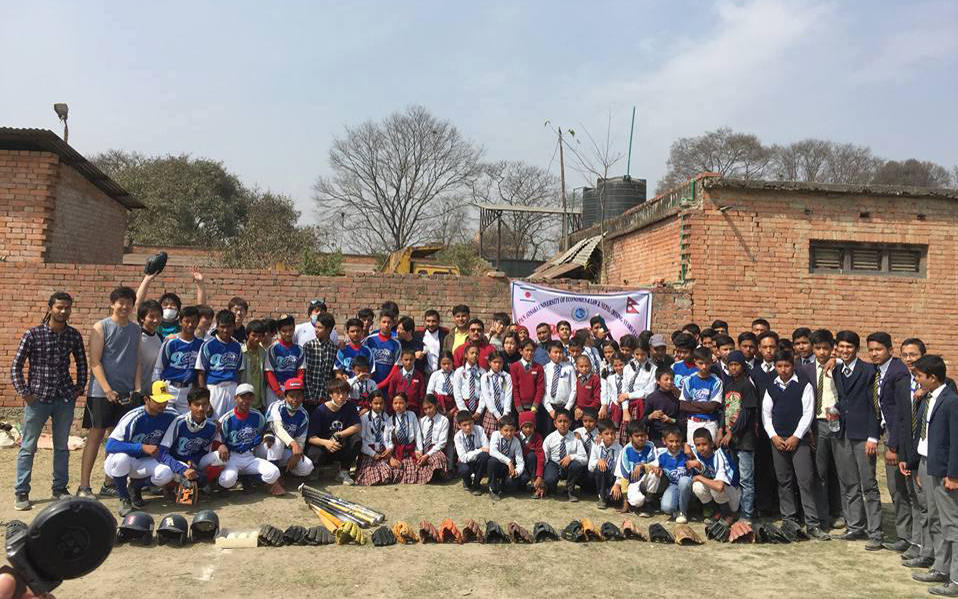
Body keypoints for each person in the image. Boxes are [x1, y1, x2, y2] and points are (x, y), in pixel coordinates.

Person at [11, 291, 87, 510]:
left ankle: (60, 489)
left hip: (64, 398)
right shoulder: (33, 334)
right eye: (59, 307)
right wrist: (25, 392)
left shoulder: (73, 335)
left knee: (61, 446)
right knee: (28, 446)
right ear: (50, 308)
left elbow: (82, 363)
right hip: (37, 399)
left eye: (67, 308)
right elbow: (16, 366)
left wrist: (78, 388)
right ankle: (22, 492)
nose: (63, 311)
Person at [79, 286, 142, 499]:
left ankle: (110, 482)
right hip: (101, 392)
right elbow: (95, 361)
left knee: (117, 439)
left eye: (128, 302)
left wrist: (137, 388)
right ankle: (84, 486)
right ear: (112, 303)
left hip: (126, 392)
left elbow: (137, 360)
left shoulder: (135, 330)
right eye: (120, 302)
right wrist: (107, 389)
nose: (124, 306)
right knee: (95, 437)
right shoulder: (101, 327)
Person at [762, 350, 830, 539]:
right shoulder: (771, 385)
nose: (783, 370)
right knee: (784, 481)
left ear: (793, 366)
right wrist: (774, 436)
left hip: (799, 441)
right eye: (779, 366)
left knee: (805, 481)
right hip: (777, 441)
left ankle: (812, 523)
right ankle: (789, 519)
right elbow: (766, 414)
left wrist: (796, 437)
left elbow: (808, 413)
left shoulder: (803, 385)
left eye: (787, 366)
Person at [832, 330, 885, 550]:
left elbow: (875, 406)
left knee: (869, 485)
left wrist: (874, 436)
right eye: (841, 347)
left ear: (856, 349)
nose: (845, 351)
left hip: (864, 435)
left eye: (849, 347)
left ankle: (876, 532)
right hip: (842, 433)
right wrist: (835, 409)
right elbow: (845, 399)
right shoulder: (836, 369)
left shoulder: (869, 371)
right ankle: (855, 525)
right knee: (849, 483)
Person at [911, 354, 958, 596]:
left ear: (932, 377)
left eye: (919, 376)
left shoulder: (951, 402)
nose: (916, 379)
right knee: (934, 519)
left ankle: (956, 580)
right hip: (927, 464)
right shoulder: (927, 398)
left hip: (944, 471)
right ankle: (941, 567)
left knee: (951, 523)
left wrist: (953, 475)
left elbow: (955, 442)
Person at [103, 380, 179, 515]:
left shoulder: (171, 415)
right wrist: (141, 447)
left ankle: (135, 487)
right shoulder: (133, 417)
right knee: (121, 459)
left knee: (166, 473)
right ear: (146, 399)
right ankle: (124, 498)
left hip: (145, 461)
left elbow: (186, 422)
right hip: (121, 463)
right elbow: (110, 445)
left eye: (165, 400)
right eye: (159, 401)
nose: (163, 404)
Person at [866, 331, 911, 552]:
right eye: (871, 350)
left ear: (890, 351)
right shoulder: (878, 371)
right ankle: (907, 535)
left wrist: (893, 446)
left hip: (898, 438)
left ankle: (908, 537)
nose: (874, 354)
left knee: (899, 490)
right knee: (896, 489)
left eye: (879, 349)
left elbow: (901, 414)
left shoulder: (898, 373)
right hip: (885, 433)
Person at [801, 328, 847, 531]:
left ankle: (840, 513)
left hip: (837, 424)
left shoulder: (839, 367)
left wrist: (837, 361)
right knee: (819, 473)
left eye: (825, 348)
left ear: (832, 348)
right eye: (817, 348)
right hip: (816, 424)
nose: (821, 352)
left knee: (839, 470)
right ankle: (822, 515)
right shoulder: (805, 370)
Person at [216, 387, 282, 495]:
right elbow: (217, 437)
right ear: (235, 398)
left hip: (250, 456)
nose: (246, 401)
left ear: (253, 399)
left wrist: (267, 436)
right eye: (242, 397)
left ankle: (251, 479)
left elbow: (267, 429)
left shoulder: (257, 416)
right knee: (227, 480)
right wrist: (220, 445)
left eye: (249, 397)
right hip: (232, 457)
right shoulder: (227, 418)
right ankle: (239, 480)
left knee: (274, 473)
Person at [718, 350, 758, 523]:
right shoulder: (729, 386)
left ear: (743, 366)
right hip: (730, 440)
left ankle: (747, 514)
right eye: (730, 365)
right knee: (733, 478)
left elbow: (746, 413)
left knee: (746, 480)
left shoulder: (747, 386)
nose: (733, 368)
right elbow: (725, 411)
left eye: (736, 365)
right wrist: (721, 429)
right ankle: (734, 511)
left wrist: (731, 432)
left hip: (745, 440)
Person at [157, 387, 219, 499]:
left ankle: (203, 483)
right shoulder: (179, 422)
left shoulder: (211, 426)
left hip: (193, 462)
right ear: (189, 405)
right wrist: (183, 469)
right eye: (196, 404)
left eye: (204, 404)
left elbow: (203, 451)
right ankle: (171, 486)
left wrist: (193, 462)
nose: (200, 408)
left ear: (208, 405)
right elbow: (162, 452)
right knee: (187, 486)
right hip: (175, 461)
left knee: (220, 457)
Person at [306, 378, 361, 485]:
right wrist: (327, 443)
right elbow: (311, 438)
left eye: (344, 393)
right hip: (324, 446)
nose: (341, 396)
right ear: (331, 394)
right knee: (314, 452)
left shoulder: (350, 406)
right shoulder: (319, 411)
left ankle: (344, 472)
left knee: (356, 439)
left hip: (340, 445)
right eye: (337, 393)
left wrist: (338, 434)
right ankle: (315, 468)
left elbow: (357, 426)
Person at [259, 378, 314, 482]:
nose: (295, 400)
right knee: (278, 441)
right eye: (291, 396)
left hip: (283, 451)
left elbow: (301, 440)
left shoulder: (303, 414)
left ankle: (282, 471)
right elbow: (278, 429)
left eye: (298, 396)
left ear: (303, 396)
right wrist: (293, 444)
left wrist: (296, 454)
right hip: (265, 448)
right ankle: (273, 480)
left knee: (307, 467)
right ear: (285, 396)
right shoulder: (276, 406)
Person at [152, 306, 202, 414]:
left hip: (188, 390)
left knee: (183, 423)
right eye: (186, 321)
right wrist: (158, 394)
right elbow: (158, 369)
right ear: (180, 322)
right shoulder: (171, 343)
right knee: (165, 420)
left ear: (198, 323)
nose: (190, 324)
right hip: (169, 388)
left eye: (194, 321)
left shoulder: (200, 345)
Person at [195, 310, 245, 419]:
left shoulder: (237, 347)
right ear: (217, 326)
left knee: (230, 423)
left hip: (232, 389)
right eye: (222, 327)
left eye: (229, 327)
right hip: (214, 390)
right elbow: (200, 373)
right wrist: (205, 399)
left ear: (234, 327)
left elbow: (239, 373)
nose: (225, 330)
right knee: (213, 423)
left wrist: (239, 394)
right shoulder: (208, 345)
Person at [133, 267, 206, 339]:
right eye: (165, 304)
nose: (169, 307)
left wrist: (200, 284)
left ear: (178, 310)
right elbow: (138, 304)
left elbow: (201, 310)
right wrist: (147, 279)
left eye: (173, 304)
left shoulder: (184, 325)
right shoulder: (153, 323)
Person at [687, 428, 740, 524]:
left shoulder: (719, 456)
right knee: (697, 486)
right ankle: (715, 512)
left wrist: (699, 477)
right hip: (720, 493)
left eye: (704, 444)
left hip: (732, 491)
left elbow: (719, 486)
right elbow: (686, 445)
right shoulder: (697, 452)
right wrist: (685, 446)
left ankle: (728, 514)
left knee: (714, 488)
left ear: (712, 444)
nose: (701, 448)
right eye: (698, 445)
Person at [614, 421, 660, 514]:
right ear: (631, 437)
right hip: (633, 483)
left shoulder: (650, 446)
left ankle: (648, 503)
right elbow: (623, 476)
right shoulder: (626, 451)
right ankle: (636, 504)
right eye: (637, 436)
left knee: (654, 473)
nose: (641, 438)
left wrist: (642, 466)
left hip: (646, 481)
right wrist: (625, 502)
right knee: (637, 501)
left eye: (643, 435)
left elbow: (656, 465)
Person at [541, 409, 587, 501]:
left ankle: (570, 490)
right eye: (560, 421)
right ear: (555, 423)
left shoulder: (575, 438)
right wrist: (541, 477)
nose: (563, 424)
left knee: (576, 465)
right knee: (550, 478)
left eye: (565, 421)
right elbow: (544, 458)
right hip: (554, 463)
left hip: (568, 466)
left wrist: (571, 457)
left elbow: (585, 459)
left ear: (570, 423)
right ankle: (551, 488)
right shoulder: (550, 438)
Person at [680, 347, 723, 442]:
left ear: (711, 362)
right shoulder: (689, 380)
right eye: (701, 363)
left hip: (710, 423)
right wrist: (705, 407)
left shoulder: (717, 382)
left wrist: (693, 403)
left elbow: (712, 406)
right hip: (693, 422)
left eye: (707, 363)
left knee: (710, 452)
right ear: (695, 362)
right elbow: (683, 405)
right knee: (692, 454)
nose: (704, 366)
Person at [354, 391, 394, 486]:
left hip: (382, 452)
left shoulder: (386, 417)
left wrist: (389, 449)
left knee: (390, 472)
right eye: (376, 403)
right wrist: (373, 454)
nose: (379, 406)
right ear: (370, 404)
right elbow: (362, 441)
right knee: (371, 476)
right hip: (369, 452)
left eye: (381, 403)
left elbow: (388, 437)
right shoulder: (364, 418)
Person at [265, 314, 305, 408]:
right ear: (279, 331)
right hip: (274, 390)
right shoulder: (273, 348)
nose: (288, 333)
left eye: (290, 330)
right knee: (273, 418)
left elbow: (301, 372)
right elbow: (269, 373)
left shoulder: (299, 350)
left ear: (294, 329)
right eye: (284, 331)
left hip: (292, 390)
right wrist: (278, 392)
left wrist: (295, 389)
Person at [656, 426, 693, 523]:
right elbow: (652, 465)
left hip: (689, 486)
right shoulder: (660, 455)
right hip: (673, 486)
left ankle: (682, 512)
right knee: (666, 508)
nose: (674, 444)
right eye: (671, 441)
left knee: (684, 481)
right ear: (664, 441)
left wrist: (687, 448)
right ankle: (676, 507)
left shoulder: (687, 452)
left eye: (677, 441)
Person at [487, 415, 527, 501]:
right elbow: (492, 451)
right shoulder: (495, 435)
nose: (509, 433)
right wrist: (508, 461)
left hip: (507, 469)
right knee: (492, 461)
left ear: (515, 429)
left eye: (511, 430)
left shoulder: (516, 441)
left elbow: (520, 462)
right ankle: (492, 489)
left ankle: (502, 485)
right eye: (505, 430)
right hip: (497, 465)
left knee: (511, 484)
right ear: (500, 430)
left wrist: (516, 472)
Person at [303, 313, 338, 411]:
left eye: (320, 327)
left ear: (328, 330)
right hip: (309, 398)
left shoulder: (334, 349)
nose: (316, 330)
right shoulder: (309, 346)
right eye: (316, 327)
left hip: (325, 398)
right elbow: (306, 373)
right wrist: (310, 395)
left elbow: (331, 374)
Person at [539, 342, 575, 435]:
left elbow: (574, 389)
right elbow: (543, 390)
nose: (558, 355)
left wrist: (567, 408)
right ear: (549, 353)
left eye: (560, 352)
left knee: (566, 434)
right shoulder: (545, 369)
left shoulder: (569, 368)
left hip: (565, 407)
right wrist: (550, 409)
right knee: (549, 434)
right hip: (550, 409)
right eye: (555, 352)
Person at [454, 410, 490, 495]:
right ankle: (467, 481)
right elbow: (463, 458)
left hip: (478, 460)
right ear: (459, 426)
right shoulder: (457, 437)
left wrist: (479, 452)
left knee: (484, 456)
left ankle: (476, 485)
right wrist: (479, 450)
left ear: (473, 422)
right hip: (466, 462)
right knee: (464, 470)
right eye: (464, 425)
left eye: (470, 423)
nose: (468, 427)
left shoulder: (479, 429)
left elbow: (487, 448)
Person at [588, 418, 622, 510]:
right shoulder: (596, 445)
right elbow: (590, 466)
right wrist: (598, 461)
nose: (610, 436)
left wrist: (617, 484)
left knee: (615, 500)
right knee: (601, 467)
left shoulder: (619, 449)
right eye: (606, 434)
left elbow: (620, 470)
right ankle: (602, 497)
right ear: (600, 435)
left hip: (613, 478)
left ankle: (607, 494)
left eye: (612, 433)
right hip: (599, 476)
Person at [643, 367, 681, 447]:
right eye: (666, 379)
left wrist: (671, 420)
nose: (669, 382)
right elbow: (644, 420)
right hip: (656, 437)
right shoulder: (651, 398)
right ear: (658, 381)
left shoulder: (677, 397)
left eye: (671, 379)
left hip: (673, 438)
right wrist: (651, 416)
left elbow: (682, 421)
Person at [364, 311, 402, 389]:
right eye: (384, 322)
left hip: (387, 386)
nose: (386, 325)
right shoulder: (369, 340)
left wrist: (381, 385)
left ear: (393, 323)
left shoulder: (397, 344)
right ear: (379, 322)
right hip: (368, 385)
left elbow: (395, 368)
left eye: (389, 322)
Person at [479, 352, 513, 437]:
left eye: (500, 362)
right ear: (489, 362)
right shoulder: (485, 377)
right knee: (490, 438)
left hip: (504, 412)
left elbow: (508, 395)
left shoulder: (506, 377)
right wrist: (497, 416)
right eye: (495, 362)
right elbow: (487, 398)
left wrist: (505, 414)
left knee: (505, 437)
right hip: (491, 413)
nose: (497, 365)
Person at [417, 394, 449, 480]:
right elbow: (419, 438)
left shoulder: (444, 420)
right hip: (424, 449)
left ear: (436, 405)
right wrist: (419, 452)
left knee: (437, 459)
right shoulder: (422, 421)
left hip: (436, 450)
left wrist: (427, 455)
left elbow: (442, 443)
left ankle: (436, 475)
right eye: (425, 409)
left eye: (430, 407)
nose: (428, 411)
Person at [387, 348, 426, 416]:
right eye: (406, 360)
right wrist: (391, 411)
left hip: (414, 411)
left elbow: (422, 396)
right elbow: (391, 394)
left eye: (411, 360)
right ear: (401, 360)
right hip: (398, 411)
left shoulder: (419, 376)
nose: (408, 362)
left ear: (414, 360)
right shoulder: (396, 376)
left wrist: (421, 413)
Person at [510, 340, 545, 416]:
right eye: (527, 350)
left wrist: (535, 406)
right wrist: (519, 409)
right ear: (520, 351)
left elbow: (540, 388)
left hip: (534, 408)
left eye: (532, 350)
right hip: (518, 408)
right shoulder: (514, 367)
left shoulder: (539, 367)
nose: (530, 353)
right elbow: (515, 388)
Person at [136, 300, 163, 396]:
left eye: (158, 316)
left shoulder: (160, 338)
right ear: (142, 318)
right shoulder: (136, 336)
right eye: (151, 316)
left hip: (153, 392)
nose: (155, 320)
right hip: (137, 391)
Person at [240, 319, 268, 411]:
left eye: (260, 336)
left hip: (258, 398)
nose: (257, 339)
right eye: (254, 335)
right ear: (247, 335)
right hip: (243, 397)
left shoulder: (263, 353)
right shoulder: (240, 351)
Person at [517, 411, 546, 499]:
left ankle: (535, 484)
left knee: (532, 456)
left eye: (531, 427)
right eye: (525, 427)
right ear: (521, 427)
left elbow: (541, 457)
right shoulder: (515, 436)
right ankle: (520, 484)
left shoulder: (537, 437)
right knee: (520, 480)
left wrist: (539, 476)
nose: (528, 430)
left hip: (532, 465)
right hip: (518, 464)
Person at [453, 345, 484, 418]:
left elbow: (484, 393)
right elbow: (457, 392)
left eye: (477, 353)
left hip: (478, 406)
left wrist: (479, 411)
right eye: (472, 353)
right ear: (466, 355)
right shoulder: (459, 371)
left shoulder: (483, 372)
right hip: (463, 405)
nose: (474, 355)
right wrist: (463, 410)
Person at [426, 351, 458, 416]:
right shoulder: (435, 375)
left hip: (452, 404)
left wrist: (453, 410)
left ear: (453, 362)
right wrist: (434, 405)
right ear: (440, 364)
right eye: (444, 364)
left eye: (449, 363)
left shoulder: (456, 375)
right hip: (438, 404)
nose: (447, 366)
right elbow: (429, 391)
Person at [573, 355, 601, 425]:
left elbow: (597, 400)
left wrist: (585, 411)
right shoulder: (575, 379)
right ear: (577, 367)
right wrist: (576, 408)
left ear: (591, 366)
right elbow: (573, 396)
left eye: (586, 366)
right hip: (578, 413)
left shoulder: (595, 379)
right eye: (581, 366)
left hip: (591, 414)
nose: (584, 369)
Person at [419, 309, 447, 376]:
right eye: (428, 321)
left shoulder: (445, 336)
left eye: (434, 321)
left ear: (438, 321)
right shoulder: (419, 336)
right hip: (425, 375)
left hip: (441, 374)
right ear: (424, 321)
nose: (431, 324)